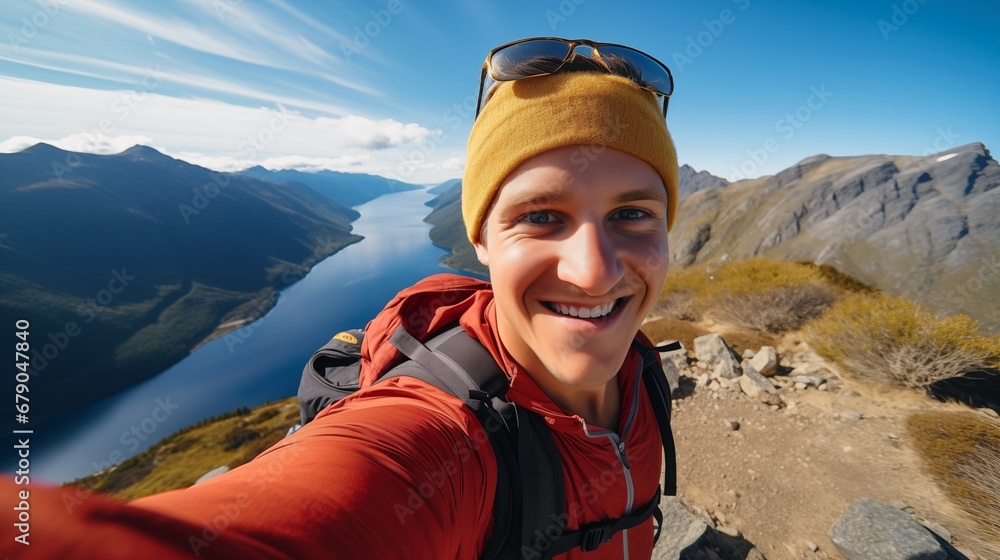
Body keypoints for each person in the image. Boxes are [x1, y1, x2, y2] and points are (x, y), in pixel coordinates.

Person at [1, 37, 678, 559]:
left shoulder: (641, 367)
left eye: (632, 215)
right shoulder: (442, 442)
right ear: (480, 240)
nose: (594, 273)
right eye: (540, 217)